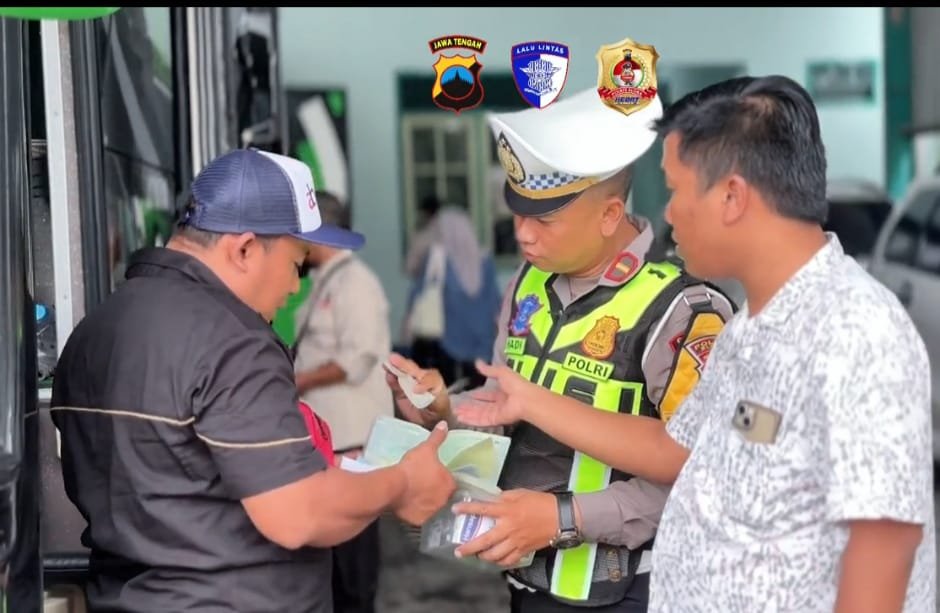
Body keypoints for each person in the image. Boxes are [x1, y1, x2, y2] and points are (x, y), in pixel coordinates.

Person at [452, 76, 936, 613]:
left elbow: (883, 548)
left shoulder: (854, 332)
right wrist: (527, 401)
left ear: (732, 197)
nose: (667, 214)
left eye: (677, 190)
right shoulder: (751, 331)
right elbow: (672, 450)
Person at [50, 148, 456, 613]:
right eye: (295, 264)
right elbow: (299, 513)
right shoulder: (234, 340)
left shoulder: (94, 331)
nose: (294, 285)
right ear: (243, 249)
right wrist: (402, 483)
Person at [386, 86, 736, 613]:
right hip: (529, 586)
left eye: (543, 220)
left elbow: (703, 475)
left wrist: (563, 520)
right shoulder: (527, 287)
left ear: (609, 214)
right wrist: (444, 412)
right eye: (517, 214)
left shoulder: (681, 311)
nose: (522, 235)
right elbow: (507, 415)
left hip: (636, 592)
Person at [293, 189, 392, 613]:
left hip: (353, 441)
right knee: (334, 562)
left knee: (354, 563)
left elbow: (358, 357)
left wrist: (297, 382)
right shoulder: (325, 281)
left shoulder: (356, 283)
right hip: (332, 441)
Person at [402, 196, 503, 390]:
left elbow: (418, 290)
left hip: (449, 340)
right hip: (483, 341)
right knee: (478, 391)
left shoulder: (438, 258)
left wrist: (407, 325)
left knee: (448, 392)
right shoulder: (485, 260)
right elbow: (495, 302)